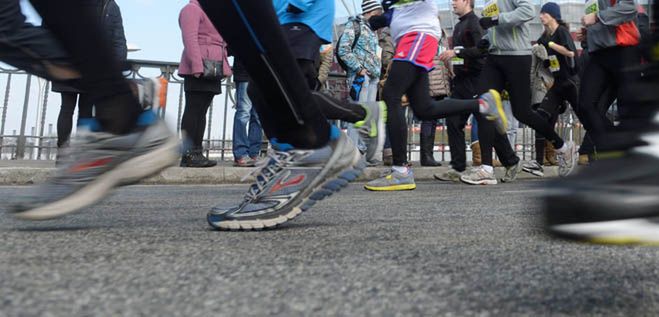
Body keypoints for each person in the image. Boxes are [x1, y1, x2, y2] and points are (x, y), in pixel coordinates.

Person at [197, 0, 377, 230]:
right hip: (284, 15)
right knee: (258, 87)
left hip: (301, 15)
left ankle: (311, 142)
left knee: (281, 82)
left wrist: (296, 3)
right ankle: (301, 144)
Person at [5, 0, 178, 220]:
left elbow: (116, 38)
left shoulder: (110, 6)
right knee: (5, 27)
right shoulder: (110, 5)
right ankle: (125, 110)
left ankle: (124, 123)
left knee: (6, 26)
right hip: (93, 65)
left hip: (94, 66)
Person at [543, 0, 659, 244]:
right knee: (586, 105)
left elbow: (628, 9)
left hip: (622, 49)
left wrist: (597, 19)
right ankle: (617, 151)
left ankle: (635, 155)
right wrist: (590, 33)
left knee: (629, 107)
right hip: (599, 54)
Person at [364, 0, 507, 191]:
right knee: (424, 109)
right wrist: (375, 20)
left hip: (417, 35)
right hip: (413, 36)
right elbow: (398, 12)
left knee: (391, 94)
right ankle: (482, 105)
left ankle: (400, 172)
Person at [53, 0, 126, 154]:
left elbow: (118, 41)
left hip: (83, 66)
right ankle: (65, 152)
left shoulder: (110, 5)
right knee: (72, 109)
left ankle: (74, 154)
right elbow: (118, 41)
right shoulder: (110, 5)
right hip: (73, 65)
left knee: (80, 111)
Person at [522, 2, 579, 178]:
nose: (541, 17)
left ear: (553, 15)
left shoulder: (561, 32)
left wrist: (552, 46)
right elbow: (543, 54)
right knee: (539, 117)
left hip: (571, 83)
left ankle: (597, 157)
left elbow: (571, 53)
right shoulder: (545, 35)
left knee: (587, 117)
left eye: (544, 14)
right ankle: (547, 157)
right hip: (557, 85)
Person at [435, 0, 486, 181]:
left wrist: (457, 53)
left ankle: (508, 160)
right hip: (460, 82)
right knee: (453, 120)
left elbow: (482, 50)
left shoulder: (475, 23)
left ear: (466, 1)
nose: (452, 3)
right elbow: (459, 53)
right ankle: (458, 167)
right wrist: (452, 65)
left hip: (475, 81)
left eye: (456, 0)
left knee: (487, 124)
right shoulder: (458, 26)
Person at [178, 0, 232, 168]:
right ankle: (188, 154)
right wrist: (196, 66)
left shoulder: (212, 12)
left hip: (213, 67)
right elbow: (190, 39)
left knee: (201, 111)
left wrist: (224, 66)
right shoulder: (191, 9)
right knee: (193, 110)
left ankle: (197, 152)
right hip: (200, 66)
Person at [337, 0, 383, 161]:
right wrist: (359, 68)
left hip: (372, 77)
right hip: (360, 77)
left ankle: (362, 151)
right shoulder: (354, 25)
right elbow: (343, 49)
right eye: (378, 12)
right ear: (371, 12)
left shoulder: (372, 30)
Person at [422, 28, 451, 167]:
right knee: (428, 120)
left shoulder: (441, 36)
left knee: (433, 120)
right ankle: (426, 156)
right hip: (431, 80)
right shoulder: (427, 35)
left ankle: (428, 155)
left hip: (439, 80)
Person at [231, 56, 262, 167]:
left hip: (261, 75)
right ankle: (241, 154)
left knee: (257, 116)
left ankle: (253, 153)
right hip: (245, 73)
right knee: (244, 113)